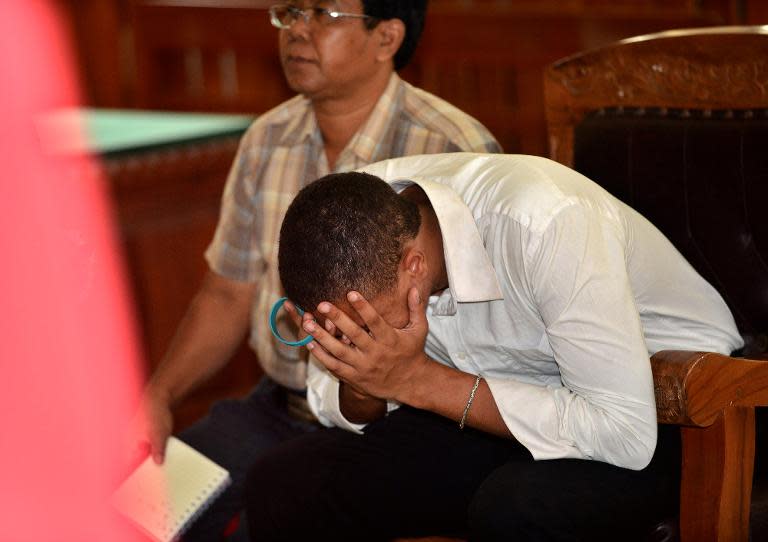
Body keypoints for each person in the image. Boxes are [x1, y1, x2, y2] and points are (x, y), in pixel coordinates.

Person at [132, 1, 501, 540]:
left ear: (387, 36)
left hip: (397, 423)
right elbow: (227, 293)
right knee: (136, 512)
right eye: (290, 11)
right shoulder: (266, 139)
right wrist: (158, 395)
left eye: (324, 13)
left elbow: (485, 328)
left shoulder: (451, 147)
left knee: (276, 506)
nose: (298, 30)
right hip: (278, 405)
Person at [246, 153, 744, 541]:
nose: (349, 336)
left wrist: (416, 380)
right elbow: (342, 403)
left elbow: (623, 435)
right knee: (289, 484)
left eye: (361, 324)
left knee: (515, 508)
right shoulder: (350, 220)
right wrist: (362, 379)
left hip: (679, 406)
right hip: (503, 401)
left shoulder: (546, 222)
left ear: (414, 267)